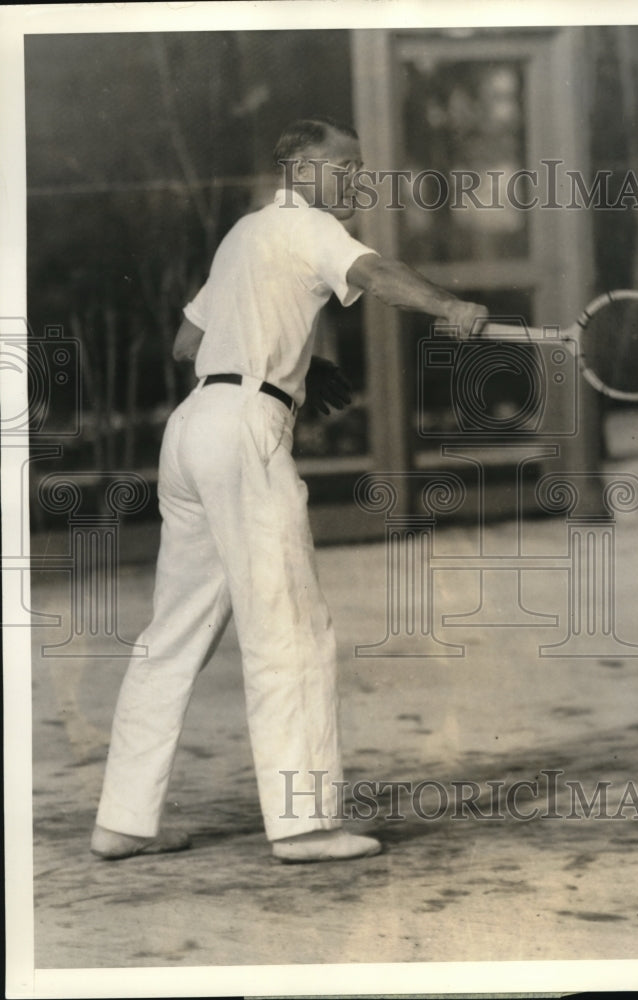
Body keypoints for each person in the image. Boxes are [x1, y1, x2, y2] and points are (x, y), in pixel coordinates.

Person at [91, 117, 488, 863]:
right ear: (301, 168)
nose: (358, 181)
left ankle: (120, 821)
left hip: (192, 429)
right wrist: (451, 307)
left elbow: (189, 343)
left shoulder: (245, 233)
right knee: (291, 630)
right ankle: (306, 825)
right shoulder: (309, 226)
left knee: (170, 638)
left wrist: (295, 371)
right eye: (346, 166)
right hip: (243, 434)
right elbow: (377, 276)